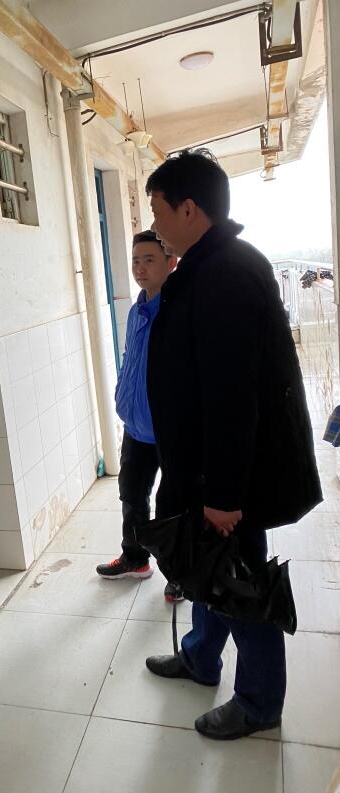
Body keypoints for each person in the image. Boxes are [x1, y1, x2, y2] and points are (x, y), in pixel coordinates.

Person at [143, 149, 322, 740]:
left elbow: (232, 397)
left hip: (227, 474)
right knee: (208, 565)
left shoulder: (223, 274)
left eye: (158, 210)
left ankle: (259, 703)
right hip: (206, 467)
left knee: (238, 581)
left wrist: (222, 493)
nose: (154, 223)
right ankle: (201, 656)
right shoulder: (210, 265)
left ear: (189, 209)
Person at [96, 230, 181, 602]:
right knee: (131, 495)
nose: (140, 268)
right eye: (135, 261)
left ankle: (179, 574)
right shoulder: (136, 310)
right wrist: (123, 395)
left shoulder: (177, 311)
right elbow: (131, 357)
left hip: (170, 430)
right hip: (136, 427)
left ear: (170, 262)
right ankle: (135, 558)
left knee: (173, 507)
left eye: (149, 260)